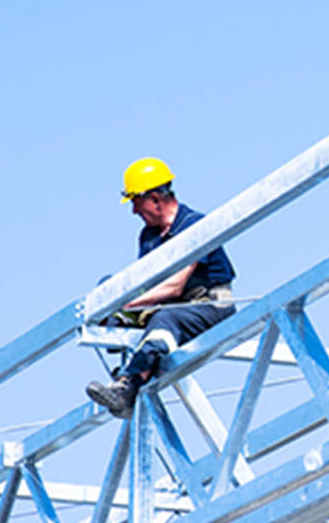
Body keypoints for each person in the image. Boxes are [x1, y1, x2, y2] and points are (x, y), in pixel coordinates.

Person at [86, 157, 236, 418]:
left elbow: (176, 286)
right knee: (108, 288)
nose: (134, 211)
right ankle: (133, 367)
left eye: (136, 201)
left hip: (209, 307)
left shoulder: (193, 225)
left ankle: (129, 384)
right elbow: (145, 285)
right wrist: (114, 304)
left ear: (156, 198)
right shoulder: (149, 236)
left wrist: (128, 305)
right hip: (170, 307)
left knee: (165, 319)